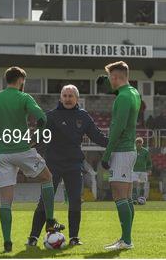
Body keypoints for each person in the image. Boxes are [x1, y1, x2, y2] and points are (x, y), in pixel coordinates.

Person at [0, 66, 64, 253]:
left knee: (6, 201)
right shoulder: (24, 97)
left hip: (2, 154)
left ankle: (7, 243)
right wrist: (36, 138)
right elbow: (42, 118)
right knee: (47, 178)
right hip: (22, 150)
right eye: (24, 80)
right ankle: (51, 221)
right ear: (20, 79)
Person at [27, 85, 108, 247]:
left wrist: (116, 144)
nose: (68, 98)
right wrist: (27, 144)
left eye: (71, 96)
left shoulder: (83, 116)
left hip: (73, 165)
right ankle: (33, 237)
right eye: (65, 95)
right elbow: (38, 136)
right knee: (45, 201)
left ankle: (74, 238)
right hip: (52, 165)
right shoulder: (50, 116)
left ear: (77, 99)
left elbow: (98, 137)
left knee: (75, 201)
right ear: (60, 98)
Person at [97, 61, 141, 250]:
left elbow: (118, 127)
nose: (109, 81)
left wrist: (107, 154)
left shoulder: (122, 98)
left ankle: (126, 240)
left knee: (119, 194)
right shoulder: (133, 93)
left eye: (110, 78)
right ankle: (126, 238)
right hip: (129, 149)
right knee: (127, 196)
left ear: (115, 77)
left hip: (121, 151)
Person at [132, 137, 152, 203]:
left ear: (142, 143)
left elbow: (149, 161)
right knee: (134, 183)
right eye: (137, 143)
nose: (138, 144)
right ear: (135, 143)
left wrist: (149, 169)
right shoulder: (133, 151)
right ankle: (134, 198)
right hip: (134, 170)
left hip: (143, 170)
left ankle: (141, 198)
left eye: (140, 143)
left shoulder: (145, 151)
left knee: (142, 184)